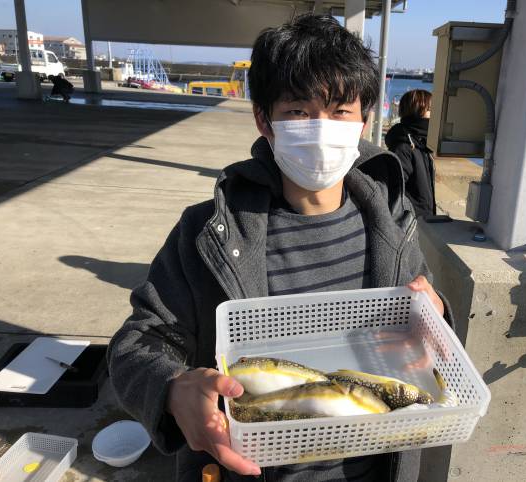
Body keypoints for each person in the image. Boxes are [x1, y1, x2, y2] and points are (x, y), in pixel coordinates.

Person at [107, 14, 453, 482]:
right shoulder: (207, 232)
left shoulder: (393, 223)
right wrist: (171, 389)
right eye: (298, 112)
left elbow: (421, 326)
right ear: (264, 120)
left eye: (340, 111)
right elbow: (137, 344)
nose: (321, 129)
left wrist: (437, 317)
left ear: (365, 122)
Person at [385, 89, 436, 219]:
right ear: (417, 112)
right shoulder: (404, 147)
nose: (435, 115)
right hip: (410, 223)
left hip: (424, 220)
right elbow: (393, 191)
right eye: (430, 110)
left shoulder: (421, 143)